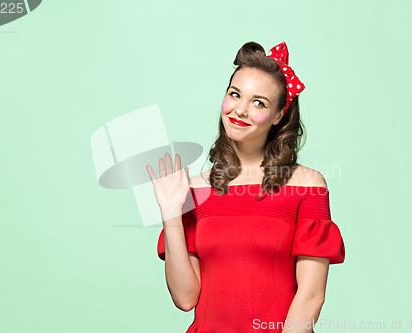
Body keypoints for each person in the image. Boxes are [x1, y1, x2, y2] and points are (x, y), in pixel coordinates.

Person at [146, 41, 345, 333]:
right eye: (235, 94)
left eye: (259, 102)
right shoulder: (193, 189)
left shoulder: (307, 184)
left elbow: (311, 296)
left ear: (279, 115)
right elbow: (185, 298)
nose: (240, 110)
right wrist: (171, 213)